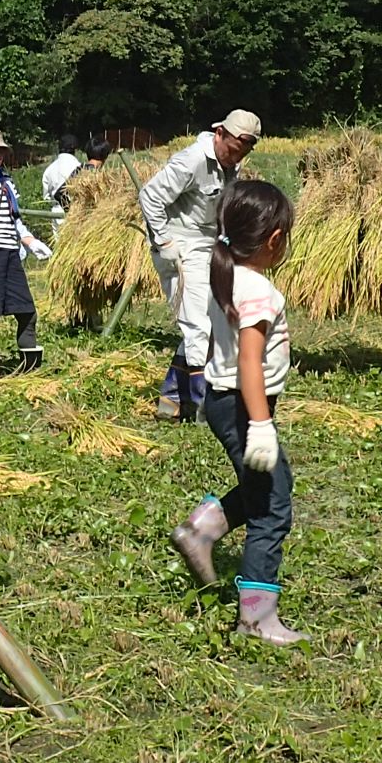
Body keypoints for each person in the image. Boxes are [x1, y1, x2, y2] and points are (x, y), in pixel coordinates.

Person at [168, 178, 303, 644]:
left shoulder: (223, 273)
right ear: (274, 239)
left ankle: (203, 530)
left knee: (263, 486)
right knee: (272, 508)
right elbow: (250, 360)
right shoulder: (260, 291)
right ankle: (256, 619)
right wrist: (262, 424)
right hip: (245, 405)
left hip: (223, 401)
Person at [139, 111, 262, 420]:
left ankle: (171, 402)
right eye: (233, 150)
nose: (236, 158)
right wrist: (164, 242)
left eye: (243, 153)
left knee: (214, 322)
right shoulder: (192, 160)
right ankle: (205, 408)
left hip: (208, 245)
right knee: (199, 327)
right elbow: (150, 196)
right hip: (180, 246)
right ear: (219, 133)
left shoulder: (232, 163)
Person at [0, 125, 53, 377]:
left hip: (10, 251)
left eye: (1, 151)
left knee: (26, 310)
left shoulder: (7, 182)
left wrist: (30, 241)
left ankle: (30, 369)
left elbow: (14, 220)